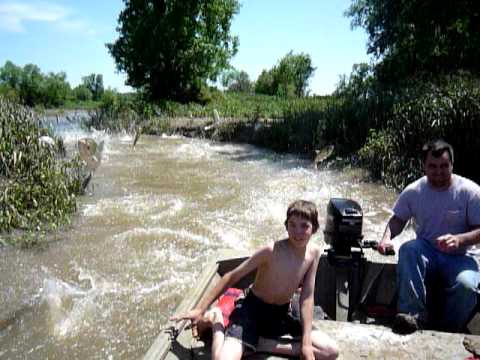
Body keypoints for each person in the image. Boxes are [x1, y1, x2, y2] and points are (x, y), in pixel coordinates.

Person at [172, 200, 339, 360]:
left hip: (282, 313)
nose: (297, 232)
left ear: (314, 228)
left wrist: (306, 343)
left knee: (330, 351)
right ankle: (217, 322)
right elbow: (232, 276)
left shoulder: (314, 253)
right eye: (292, 225)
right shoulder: (271, 250)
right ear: (286, 226)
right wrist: (200, 309)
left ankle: (263, 345)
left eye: (304, 226)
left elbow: (307, 297)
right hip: (252, 310)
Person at [378, 140, 480, 333]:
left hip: (462, 256)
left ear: (452, 165)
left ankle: (450, 330)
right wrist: (386, 239)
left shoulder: (470, 192)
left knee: (467, 286)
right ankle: (411, 317)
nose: (438, 171)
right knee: (408, 249)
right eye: (432, 166)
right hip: (427, 251)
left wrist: (460, 239)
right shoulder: (414, 191)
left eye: (444, 166)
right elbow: (397, 220)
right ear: (424, 166)